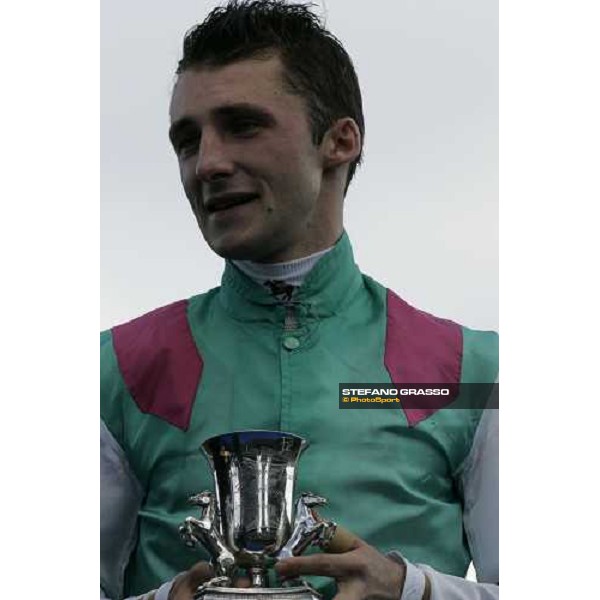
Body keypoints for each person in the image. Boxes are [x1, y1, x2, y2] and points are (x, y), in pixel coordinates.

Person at [100, 2, 499, 599]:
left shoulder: (468, 371)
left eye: (243, 125)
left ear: (339, 141)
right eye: (188, 139)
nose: (207, 163)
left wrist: (412, 589)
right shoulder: (117, 369)